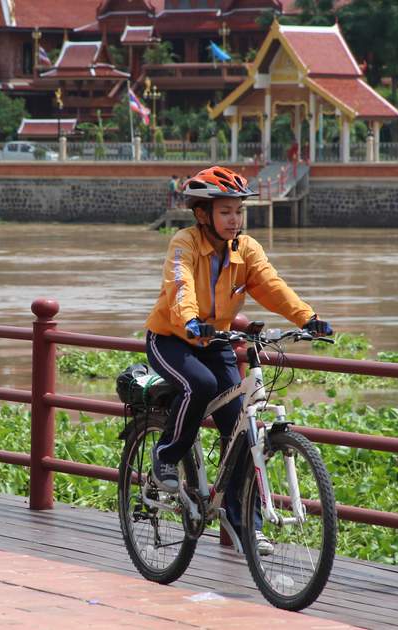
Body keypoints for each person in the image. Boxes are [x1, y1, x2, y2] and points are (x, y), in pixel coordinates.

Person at [143, 165, 332, 555]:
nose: (234, 220)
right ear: (203, 214)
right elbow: (179, 287)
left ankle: (248, 525)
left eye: (238, 211)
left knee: (241, 432)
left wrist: (308, 319)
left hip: (216, 340)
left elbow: (271, 285)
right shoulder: (184, 243)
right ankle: (166, 454)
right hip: (172, 337)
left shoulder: (246, 249)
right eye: (225, 212)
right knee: (202, 385)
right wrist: (192, 323)